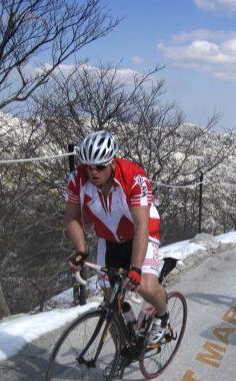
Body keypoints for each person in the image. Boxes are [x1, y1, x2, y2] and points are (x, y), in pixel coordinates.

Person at [63, 130, 168, 344]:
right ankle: (124, 348)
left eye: (99, 166)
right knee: (110, 300)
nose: (93, 172)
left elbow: (141, 226)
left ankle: (163, 316)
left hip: (141, 233)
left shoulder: (134, 177)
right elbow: (71, 218)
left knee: (145, 286)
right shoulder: (77, 180)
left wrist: (136, 269)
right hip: (109, 238)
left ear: (112, 162)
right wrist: (81, 251)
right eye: (88, 165)